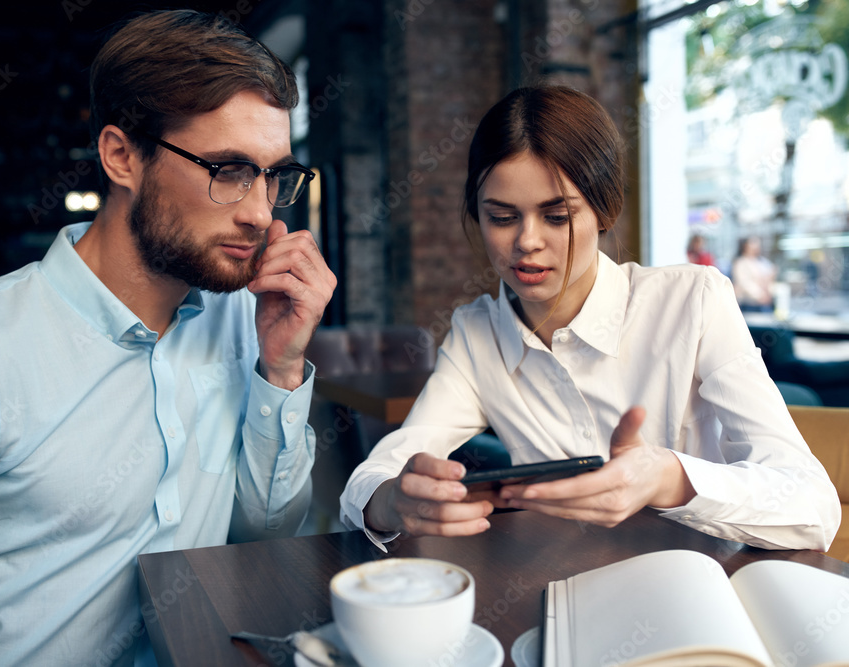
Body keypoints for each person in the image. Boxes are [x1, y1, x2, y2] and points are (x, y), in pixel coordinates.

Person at [0, 10, 335, 666]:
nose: (258, 211)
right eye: (228, 169)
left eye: (273, 175)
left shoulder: (239, 316)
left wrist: (280, 368)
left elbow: (263, 533)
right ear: (121, 155)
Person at [340, 85, 839, 554]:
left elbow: (814, 506)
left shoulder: (694, 301)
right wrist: (391, 501)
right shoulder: (478, 334)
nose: (527, 242)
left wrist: (666, 478)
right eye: (501, 216)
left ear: (604, 210)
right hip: (566, 584)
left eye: (557, 216)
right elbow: (381, 469)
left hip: (709, 584)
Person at [731, 236, 776, 312]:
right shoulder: (740, 263)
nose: (755, 247)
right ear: (745, 246)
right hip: (749, 303)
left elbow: (770, 273)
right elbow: (744, 283)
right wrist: (760, 296)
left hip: (764, 301)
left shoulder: (761, 261)